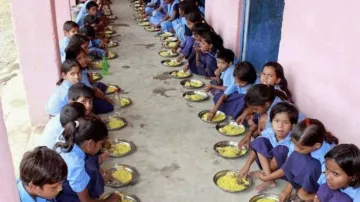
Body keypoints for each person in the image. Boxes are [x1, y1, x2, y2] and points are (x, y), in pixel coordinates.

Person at [55, 117, 121, 202]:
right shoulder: (76, 165)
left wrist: (103, 174)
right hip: (63, 196)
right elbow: (85, 201)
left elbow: (92, 161)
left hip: (62, 179)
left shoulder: (69, 135)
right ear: (91, 143)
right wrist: (107, 201)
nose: (101, 147)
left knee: (92, 162)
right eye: (100, 144)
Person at [238, 102, 299, 192]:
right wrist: (246, 166)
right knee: (259, 141)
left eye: (285, 122)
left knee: (281, 150)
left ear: (292, 126)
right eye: (276, 121)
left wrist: (266, 178)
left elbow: (287, 167)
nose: (280, 126)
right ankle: (268, 177)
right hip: (271, 164)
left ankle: (267, 177)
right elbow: (257, 148)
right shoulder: (270, 131)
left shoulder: (294, 142)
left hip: (285, 170)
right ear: (271, 122)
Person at [274, 119, 338, 202]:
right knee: (296, 156)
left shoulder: (327, 156)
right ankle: (299, 187)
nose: (296, 149)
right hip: (315, 170)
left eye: (301, 148)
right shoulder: (311, 143)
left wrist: (309, 195)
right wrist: (288, 188)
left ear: (317, 145)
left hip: (326, 182)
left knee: (309, 165)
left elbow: (327, 184)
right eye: (295, 145)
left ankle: (307, 193)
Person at [236, 84, 305, 150]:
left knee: (262, 123)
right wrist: (249, 134)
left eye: (255, 109)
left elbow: (268, 138)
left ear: (266, 104)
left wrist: (258, 144)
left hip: (299, 140)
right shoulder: (273, 100)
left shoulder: (276, 114)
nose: (253, 111)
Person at [65, 45, 114, 114]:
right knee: (109, 107)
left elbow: (91, 81)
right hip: (84, 98)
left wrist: (94, 88)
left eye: (84, 56)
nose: (84, 59)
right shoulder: (76, 76)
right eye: (79, 58)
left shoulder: (81, 70)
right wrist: (105, 98)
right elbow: (91, 91)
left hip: (87, 91)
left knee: (100, 85)